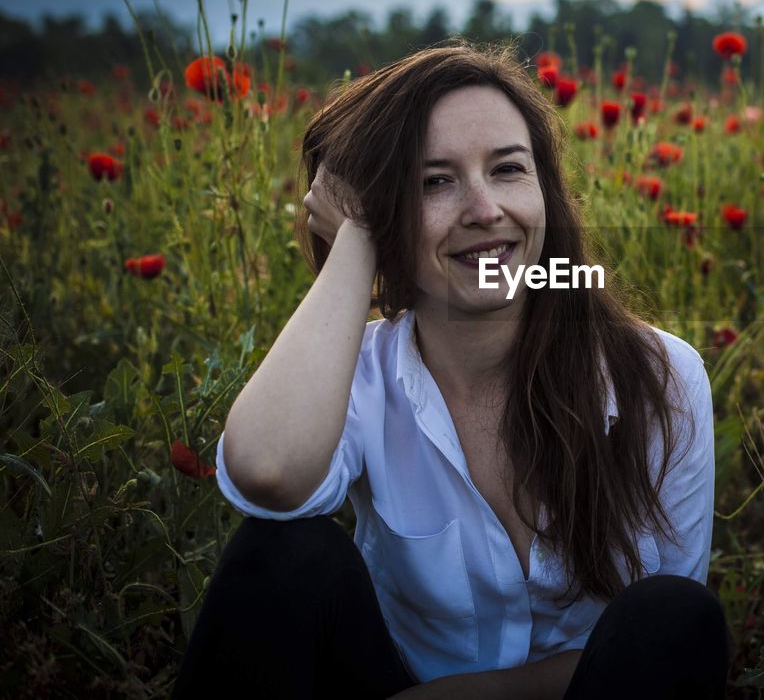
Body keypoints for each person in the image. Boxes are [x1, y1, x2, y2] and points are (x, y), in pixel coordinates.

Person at [171, 40, 728, 699]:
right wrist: (355, 242)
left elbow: (662, 652)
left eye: (508, 169)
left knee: (671, 612)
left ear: (546, 191)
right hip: (386, 673)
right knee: (284, 554)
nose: (485, 209)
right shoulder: (364, 377)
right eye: (436, 180)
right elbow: (268, 472)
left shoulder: (661, 378)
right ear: (387, 216)